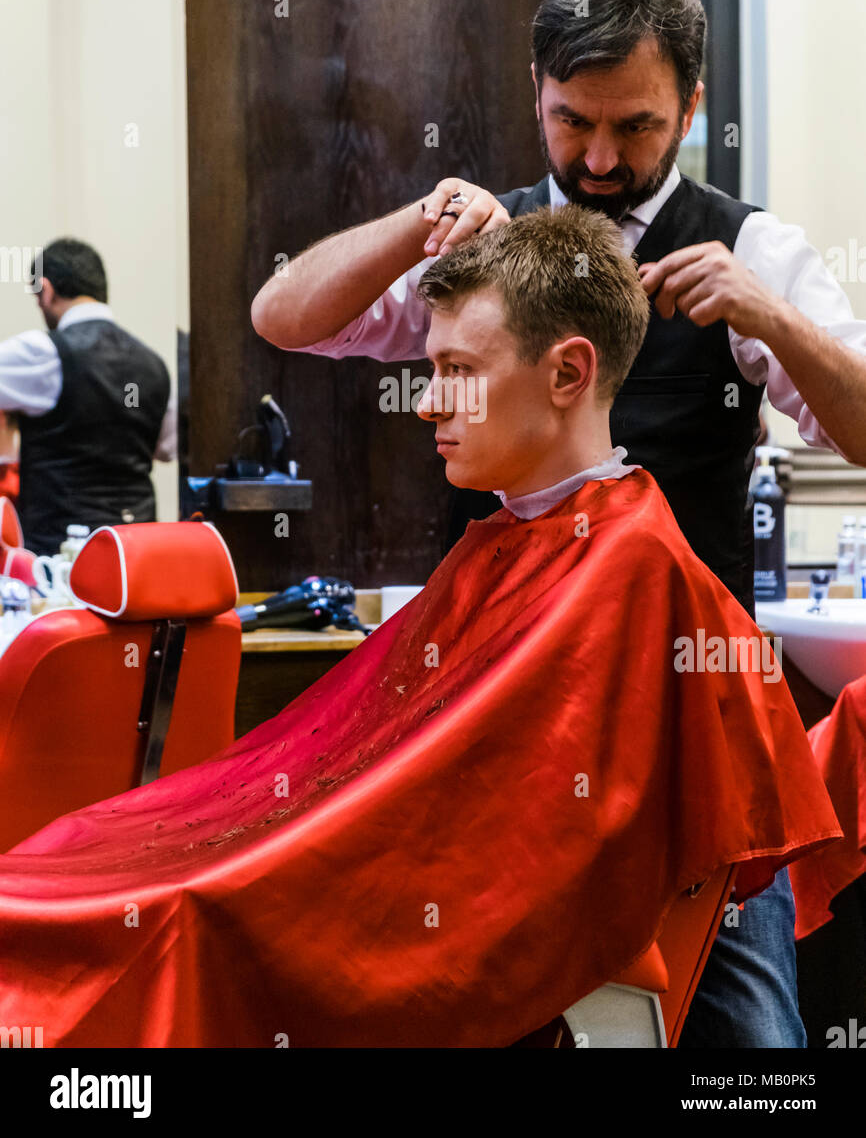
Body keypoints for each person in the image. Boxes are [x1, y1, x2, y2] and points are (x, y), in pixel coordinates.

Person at [0, 208, 839, 1048]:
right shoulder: (518, 546)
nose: (427, 401)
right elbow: (282, 310)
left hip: (378, 922)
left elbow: (512, 872)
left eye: (456, 370)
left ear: (567, 373)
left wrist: (247, 876)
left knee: (140, 918)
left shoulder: (636, 575)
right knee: (77, 856)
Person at [251, 0, 866, 622]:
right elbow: (282, 317)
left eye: (636, 127)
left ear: (689, 109)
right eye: (572, 120)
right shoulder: (478, 242)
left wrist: (773, 319)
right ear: (537, 88)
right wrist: (420, 219)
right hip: (495, 654)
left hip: (678, 668)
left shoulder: (755, 252)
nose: (600, 159)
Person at [0, 238, 175, 554]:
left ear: (46, 289)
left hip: (61, 557)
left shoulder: (44, 352)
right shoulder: (155, 365)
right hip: (135, 555)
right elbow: (166, 449)